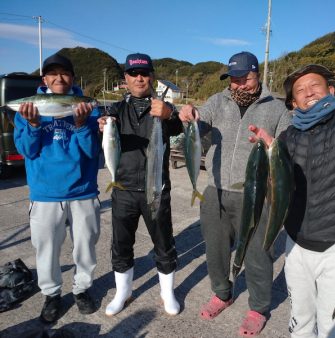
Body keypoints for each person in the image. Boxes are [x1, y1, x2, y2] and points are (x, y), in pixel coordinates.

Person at [248, 64, 335, 337]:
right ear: (293, 102)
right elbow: (278, 183)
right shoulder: (288, 136)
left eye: (314, 85)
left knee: (333, 328)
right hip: (296, 245)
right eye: (300, 90)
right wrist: (270, 148)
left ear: (331, 89)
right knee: (300, 321)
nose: (308, 92)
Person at [178, 51, 291, 337]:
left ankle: (258, 307)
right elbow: (198, 127)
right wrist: (188, 116)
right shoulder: (218, 100)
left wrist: (272, 144)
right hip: (215, 190)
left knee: (258, 253)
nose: (238, 85)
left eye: (245, 78)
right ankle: (222, 293)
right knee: (215, 250)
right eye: (233, 79)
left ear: (258, 75)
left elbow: (288, 147)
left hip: (257, 193)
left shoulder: (277, 108)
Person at [14, 53, 101, 323]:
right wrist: (32, 124)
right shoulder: (30, 107)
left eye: (64, 73)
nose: (58, 78)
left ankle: (82, 289)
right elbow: (27, 150)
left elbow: (92, 152)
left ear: (73, 78)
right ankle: (51, 294)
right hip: (45, 193)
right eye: (52, 73)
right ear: (44, 79)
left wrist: (80, 126)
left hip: (83, 191)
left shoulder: (86, 106)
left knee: (85, 247)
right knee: (46, 249)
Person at [98, 53, 183, 317]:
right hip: (123, 190)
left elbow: (180, 127)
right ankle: (123, 291)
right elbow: (101, 132)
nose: (139, 78)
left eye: (144, 73)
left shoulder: (162, 107)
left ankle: (167, 292)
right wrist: (102, 124)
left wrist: (169, 114)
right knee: (121, 244)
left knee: (163, 242)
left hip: (156, 189)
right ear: (125, 78)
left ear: (152, 77)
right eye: (133, 74)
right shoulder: (115, 110)